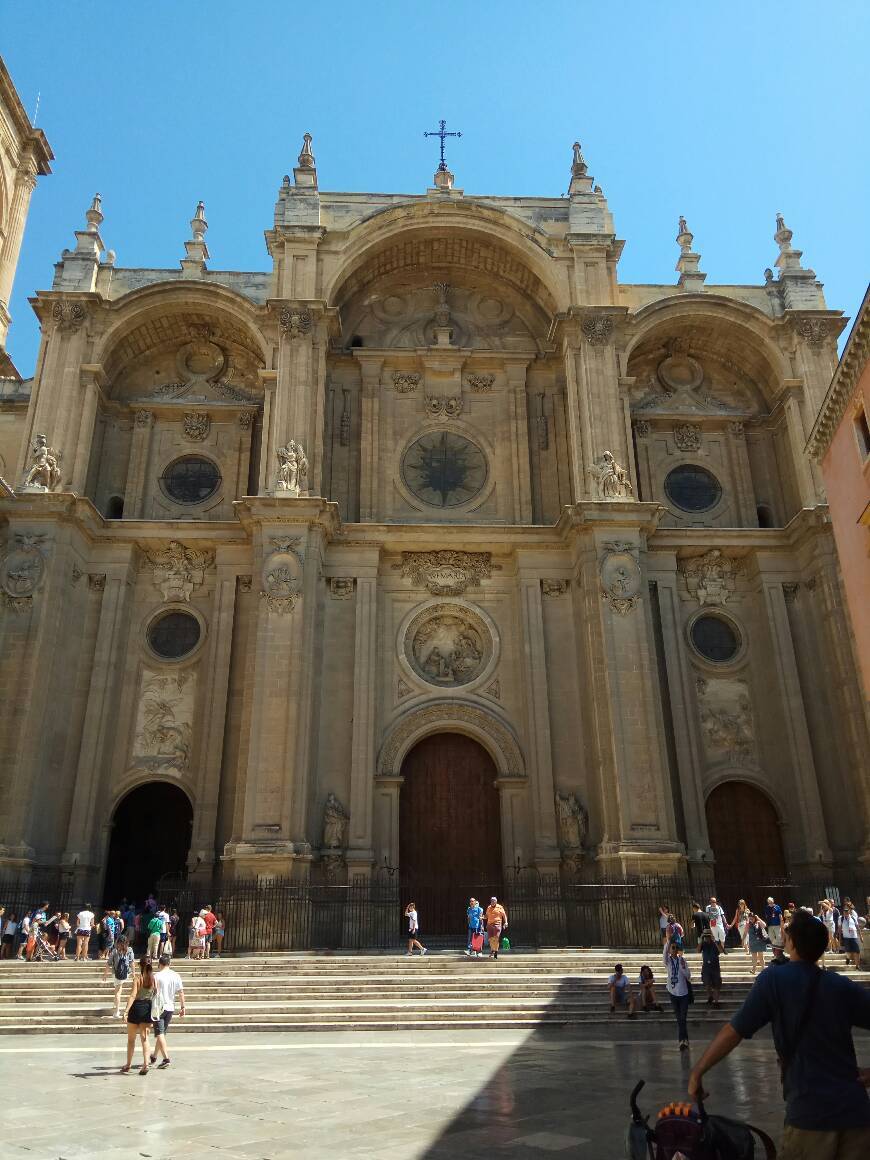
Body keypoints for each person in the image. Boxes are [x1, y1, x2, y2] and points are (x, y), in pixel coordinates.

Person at [689, 909, 870, 1159]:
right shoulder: (840, 985)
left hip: (810, 1115)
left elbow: (734, 1031)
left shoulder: (774, 979)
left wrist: (698, 1071)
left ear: (791, 942)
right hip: (857, 1116)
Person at [149, 953, 185, 1069]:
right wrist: (183, 1007)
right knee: (162, 1033)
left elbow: (151, 992)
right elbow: (180, 992)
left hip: (158, 1008)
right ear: (169, 964)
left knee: (159, 1033)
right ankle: (154, 1056)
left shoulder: (156, 976)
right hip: (170, 1007)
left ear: (160, 964)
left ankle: (166, 1058)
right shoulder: (176, 975)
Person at [122, 956, 156, 1075]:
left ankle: (128, 1064)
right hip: (147, 1008)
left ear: (140, 965)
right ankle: (146, 1064)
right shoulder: (154, 980)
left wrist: (126, 1011)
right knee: (145, 1038)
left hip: (136, 1008)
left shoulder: (137, 979)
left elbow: (132, 995)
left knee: (131, 1039)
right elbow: (156, 994)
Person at [663, 937, 693, 1051]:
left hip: (683, 993)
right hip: (673, 993)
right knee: (679, 1018)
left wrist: (682, 967)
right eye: (672, 948)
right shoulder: (668, 961)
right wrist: (668, 943)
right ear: (670, 950)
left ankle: (682, 1041)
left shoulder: (682, 960)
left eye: (676, 948)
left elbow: (688, 976)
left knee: (682, 1018)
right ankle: (684, 1040)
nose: (674, 950)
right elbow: (664, 955)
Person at [103, 934, 134, 1018]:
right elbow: (132, 962)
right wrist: (133, 973)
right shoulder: (129, 950)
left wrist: (105, 974)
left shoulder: (114, 951)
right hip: (126, 973)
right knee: (119, 989)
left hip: (116, 973)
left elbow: (108, 963)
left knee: (118, 992)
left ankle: (116, 1010)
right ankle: (116, 1004)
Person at [700, 929, 722, 1008]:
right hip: (706, 967)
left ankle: (716, 1002)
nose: (707, 937)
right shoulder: (703, 943)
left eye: (708, 936)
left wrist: (715, 941)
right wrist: (701, 939)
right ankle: (710, 996)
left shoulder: (715, 943)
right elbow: (698, 950)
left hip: (715, 967)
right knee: (706, 983)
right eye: (706, 936)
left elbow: (720, 951)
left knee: (716, 985)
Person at [841, 901, 862, 968]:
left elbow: (858, 927)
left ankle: (857, 965)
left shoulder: (853, 916)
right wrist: (840, 937)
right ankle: (847, 958)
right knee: (848, 951)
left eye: (847, 909)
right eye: (845, 909)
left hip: (854, 936)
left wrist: (861, 936)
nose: (846, 910)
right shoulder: (841, 918)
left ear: (850, 909)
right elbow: (839, 928)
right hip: (846, 937)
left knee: (857, 951)